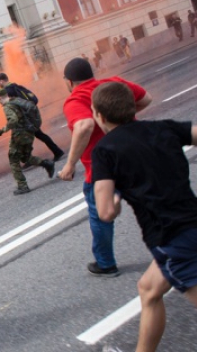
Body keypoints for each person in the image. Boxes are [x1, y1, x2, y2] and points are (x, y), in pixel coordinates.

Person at [90, 82, 197, 352]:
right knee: (149, 290)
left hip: (172, 242)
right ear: (132, 108)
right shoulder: (163, 127)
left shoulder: (104, 151)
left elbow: (104, 212)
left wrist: (115, 203)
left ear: (99, 116)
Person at [58, 57, 152, 278]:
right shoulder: (114, 83)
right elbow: (146, 99)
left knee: (100, 214)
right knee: (153, 200)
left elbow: (84, 126)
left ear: (69, 82)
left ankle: (106, 263)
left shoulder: (75, 99)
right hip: (135, 155)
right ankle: (188, 244)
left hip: (103, 169)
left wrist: (70, 164)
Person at [0, 89, 55, 195]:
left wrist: (2, 130)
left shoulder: (8, 107)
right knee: (25, 157)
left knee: (13, 160)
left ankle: (22, 186)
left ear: (0, 98)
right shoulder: (16, 100)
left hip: (19, 136)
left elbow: (13, 120)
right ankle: (47, 164)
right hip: (29, 133)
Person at [0, 73, 65, 161]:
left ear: (1, 81)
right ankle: (54, 152)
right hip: (28, 116)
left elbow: (14, 106)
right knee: (32, 137)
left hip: (24, 118)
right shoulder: (15, 86)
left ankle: (56, 152)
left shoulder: (9, 91)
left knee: (26, 138)